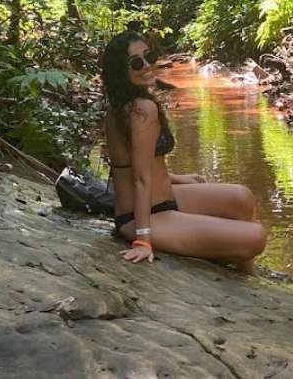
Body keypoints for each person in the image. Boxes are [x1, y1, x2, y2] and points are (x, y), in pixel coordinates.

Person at [101, 30, 267, 273]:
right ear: (121, 71)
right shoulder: (141, 109)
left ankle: (245, 274)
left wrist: (178, 179)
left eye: (149, 56)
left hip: (163, 199)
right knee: (256, 237)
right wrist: (143, 239)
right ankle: (244, 274)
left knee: (242, 198)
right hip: (145, 215)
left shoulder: (125, 106)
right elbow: (139, 177)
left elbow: (135, 166)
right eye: (136, 62)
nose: (147, 66)